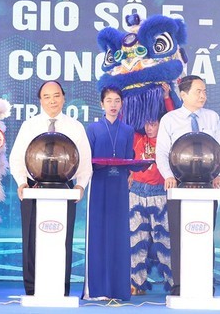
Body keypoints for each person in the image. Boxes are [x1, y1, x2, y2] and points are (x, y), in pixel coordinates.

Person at [9, 80, 92, 296]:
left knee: (62, 240)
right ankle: (32, 288)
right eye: (47, 97)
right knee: (31, 239)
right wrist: (21, 182)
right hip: (33, 188)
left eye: (56, 95)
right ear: (40, 100)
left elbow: (84, 160)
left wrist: (81, 185)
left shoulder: (75, 126)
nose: (52, 101)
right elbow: (17, 157)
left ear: (63, 98)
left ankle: (60, 288)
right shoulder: (30, 125)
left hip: (65, 190)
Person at [155, 75, 220, 296]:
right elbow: (162, 151)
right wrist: (168, 175)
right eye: (198, 91)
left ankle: (207, 282)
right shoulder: (170, 119)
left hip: (206, 184)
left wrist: (218, 175)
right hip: (179, 184)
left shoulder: (212, 117)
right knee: (179, 235)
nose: (203, 95)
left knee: (206, 233)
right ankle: (179, 284)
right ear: (183, 94)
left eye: (205, 91)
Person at [83, 86, 136, 301]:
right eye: (109, 101)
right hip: (98, 184)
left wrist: (131, 172)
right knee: (98, 233)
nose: (113, 105)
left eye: (117, 100)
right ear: (101, 104)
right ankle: (96, 289)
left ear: (121, 103)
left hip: (119, 186)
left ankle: (118, 288)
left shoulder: (128, 130)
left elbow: (128, 159)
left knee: (119, 234)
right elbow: (87, 160)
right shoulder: (93, 129)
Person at [129, 118, 173, 295]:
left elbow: (173, 115)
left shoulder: (166, 141)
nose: (149, 128)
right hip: (137, 192)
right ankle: (136, 283)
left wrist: (166, 97)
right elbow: (131, 115)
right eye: (146, 123)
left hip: (159, 193)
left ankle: (173, 283)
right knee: (136, 239)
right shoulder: (137, 137)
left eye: (153, 124)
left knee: (164, 241)